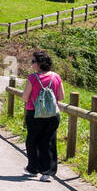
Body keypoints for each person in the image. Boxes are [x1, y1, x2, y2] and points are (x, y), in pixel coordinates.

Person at [24, 50, 66, 181]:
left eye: (33, 61)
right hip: (53, 115)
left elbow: (25, 97)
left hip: (34, 113)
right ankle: (47, 172)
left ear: (40, 63)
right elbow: (61, 97)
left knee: (32, 141)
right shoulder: (56, 77)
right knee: (48, 142)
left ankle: (33, 169)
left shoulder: (32, 78)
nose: (32, 64)